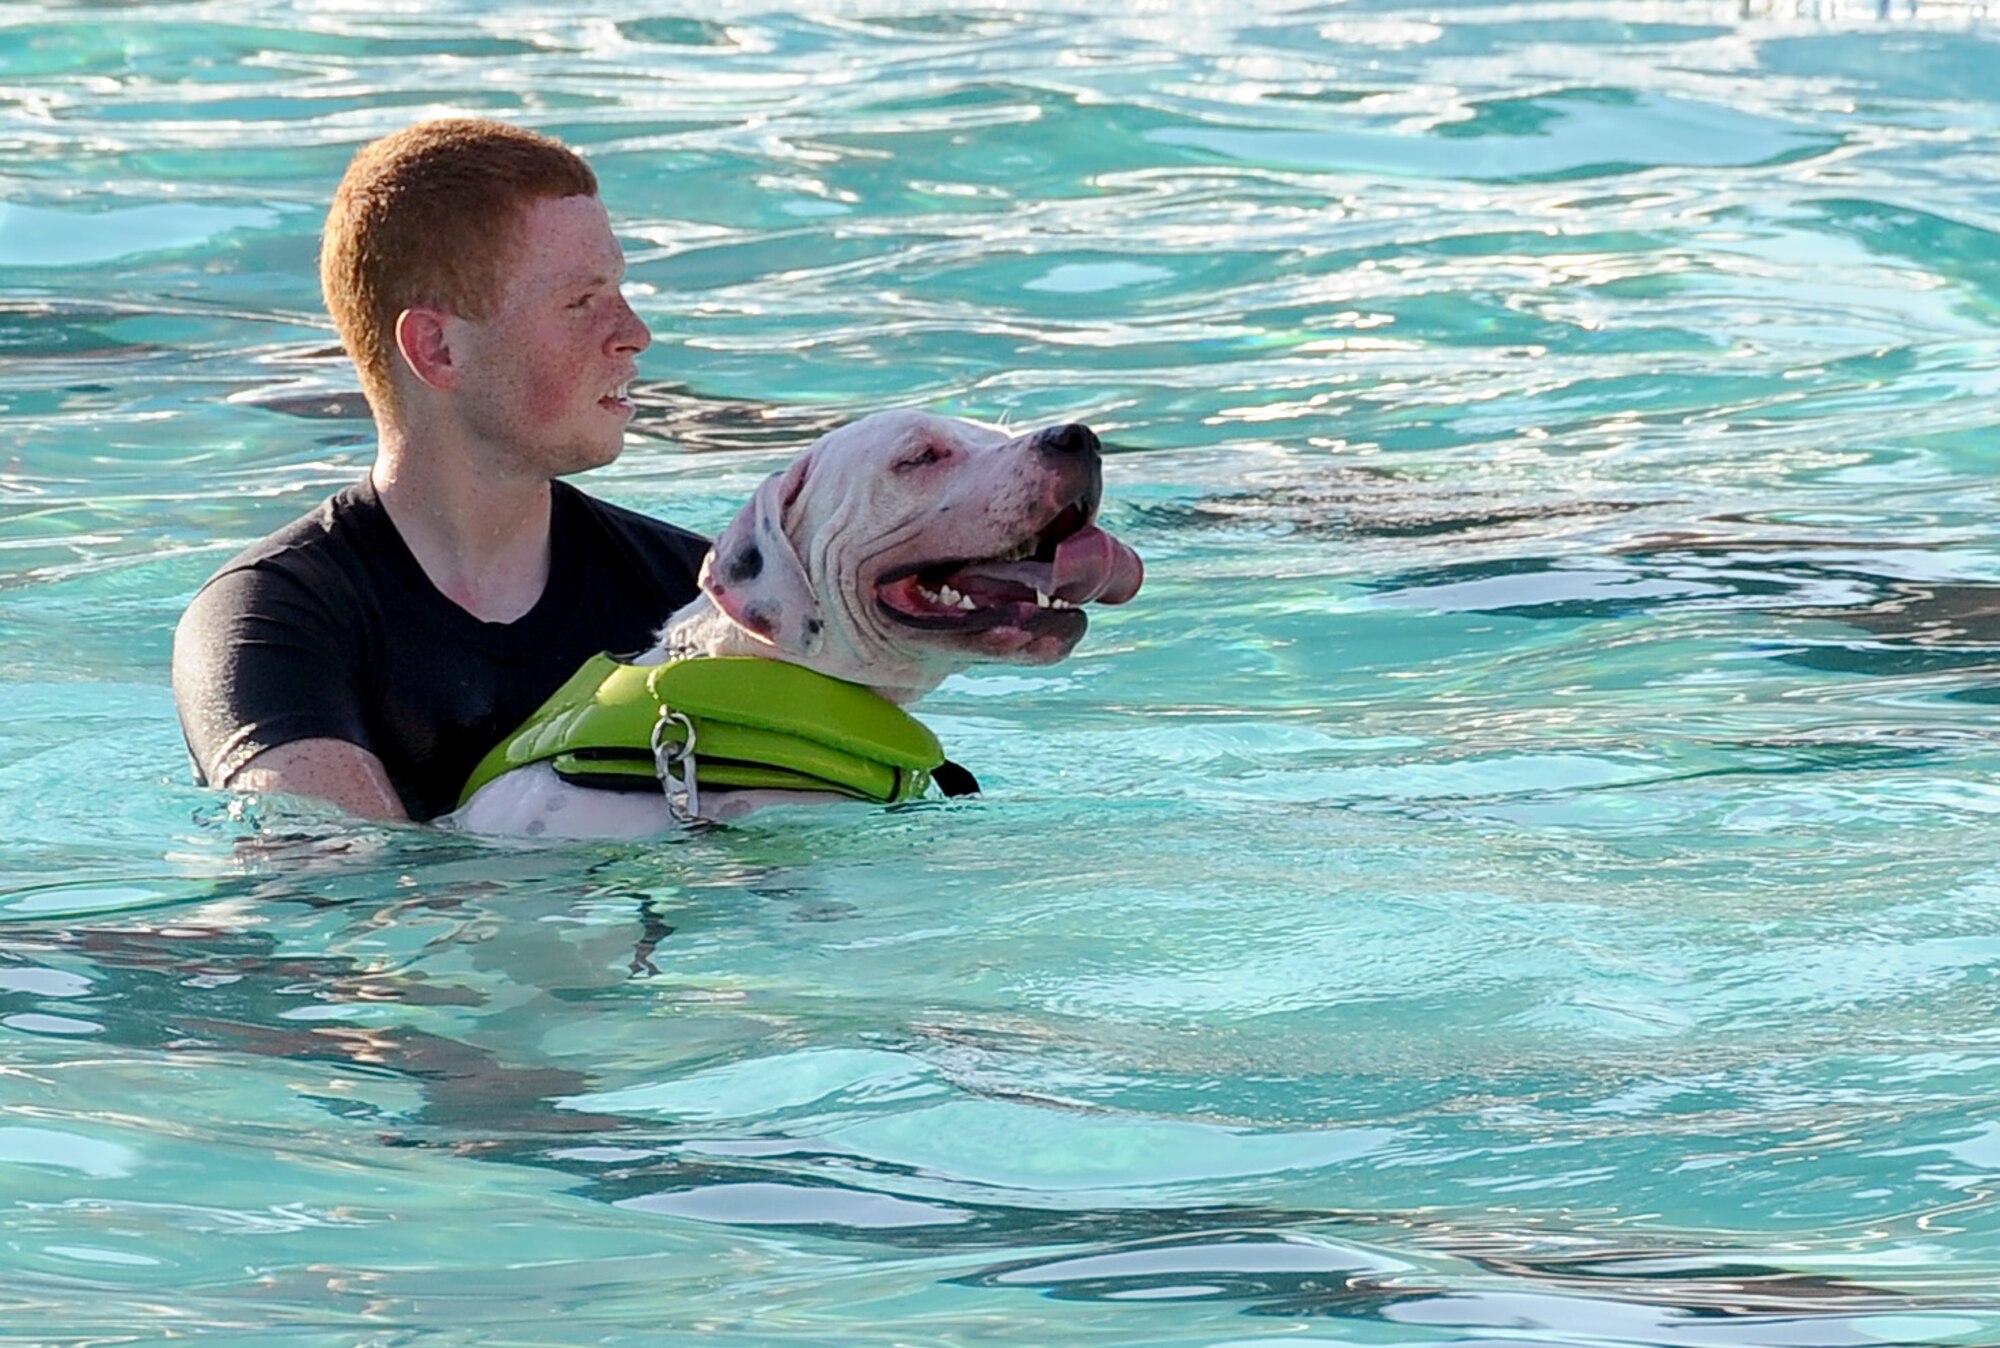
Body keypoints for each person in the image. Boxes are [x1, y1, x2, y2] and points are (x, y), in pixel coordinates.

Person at [172, 119, 709, 822]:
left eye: (619, 290)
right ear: (437, 349)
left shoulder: (693, 596)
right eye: (581, 302)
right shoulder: (272, 621)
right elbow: (338, 889)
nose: (635, 332)